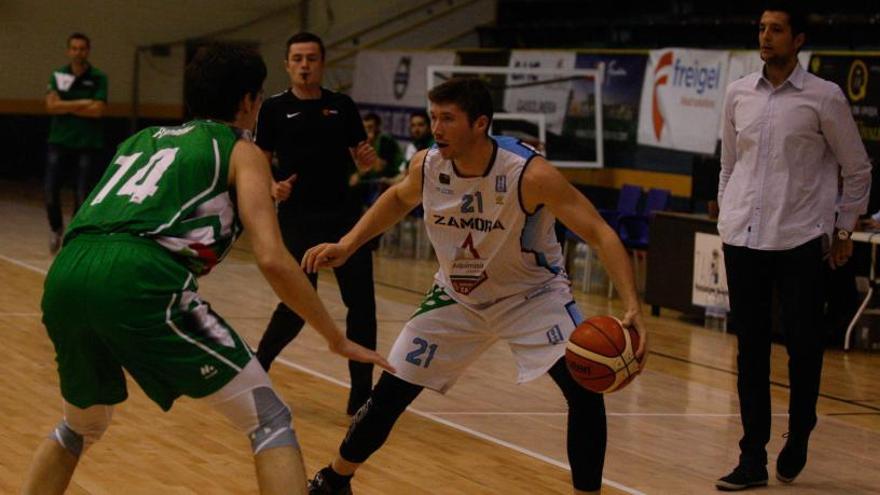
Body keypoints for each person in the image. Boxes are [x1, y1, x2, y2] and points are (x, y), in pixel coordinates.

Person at [21, 43, 393, 495]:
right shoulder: (241, 149)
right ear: (247, 102)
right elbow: (273, 258)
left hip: (67, 272)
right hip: (140, 275)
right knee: (270, 418)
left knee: (80, 424)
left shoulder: (139, 140)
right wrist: (334, 337)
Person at [302, 77, 648, 495]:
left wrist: (632, 305)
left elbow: (600, 232)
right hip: (456, 296)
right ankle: (335, 478)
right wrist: (349, 243)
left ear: (480, 123)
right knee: (392, 391)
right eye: (433, 117)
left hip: (531, 297)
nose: (436, 128)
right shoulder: (427, 165)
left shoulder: (529, 174)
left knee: (583, 389)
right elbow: (397, 199)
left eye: (447, 118)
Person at [715, 2, 872, 491]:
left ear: (798, 39)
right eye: (761, 27)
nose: (766, 36)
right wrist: (726, 213)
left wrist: (844, 230)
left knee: (804, 347)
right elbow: (728, 164)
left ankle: (801, 429)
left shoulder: (824, 98)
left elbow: (859, 169)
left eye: (777, 29)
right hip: (743, 239)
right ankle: (751, 457)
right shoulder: (737, 92)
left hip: (801, 240)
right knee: (751, 352)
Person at [254, 32, 381, 416]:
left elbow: (364, 158)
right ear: (287, 64)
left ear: (322, 63)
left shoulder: (342, 106)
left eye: (311, 58)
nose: (304, 65)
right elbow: (260, 159)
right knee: (296, 302)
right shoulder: (273, 109)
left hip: (344, 217)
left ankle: (361, 394)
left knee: (361, 305)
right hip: (298, 219)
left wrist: (366, 160)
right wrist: (272, 186)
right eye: (297, 58)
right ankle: (257, 372)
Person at [44, 32, 108, 254]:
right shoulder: (59, 75)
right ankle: (56, 228)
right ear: (68, 50)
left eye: (82, 48)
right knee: (51, 190)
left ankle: (73, 236)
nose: (78, 52)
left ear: (87, 51)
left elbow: (98, 110)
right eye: (74, 48)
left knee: (82, 194)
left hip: (87, 144)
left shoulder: (98, 77)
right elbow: (51, 107)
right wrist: (83, 103)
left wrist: (66, 104)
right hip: (59, 142)